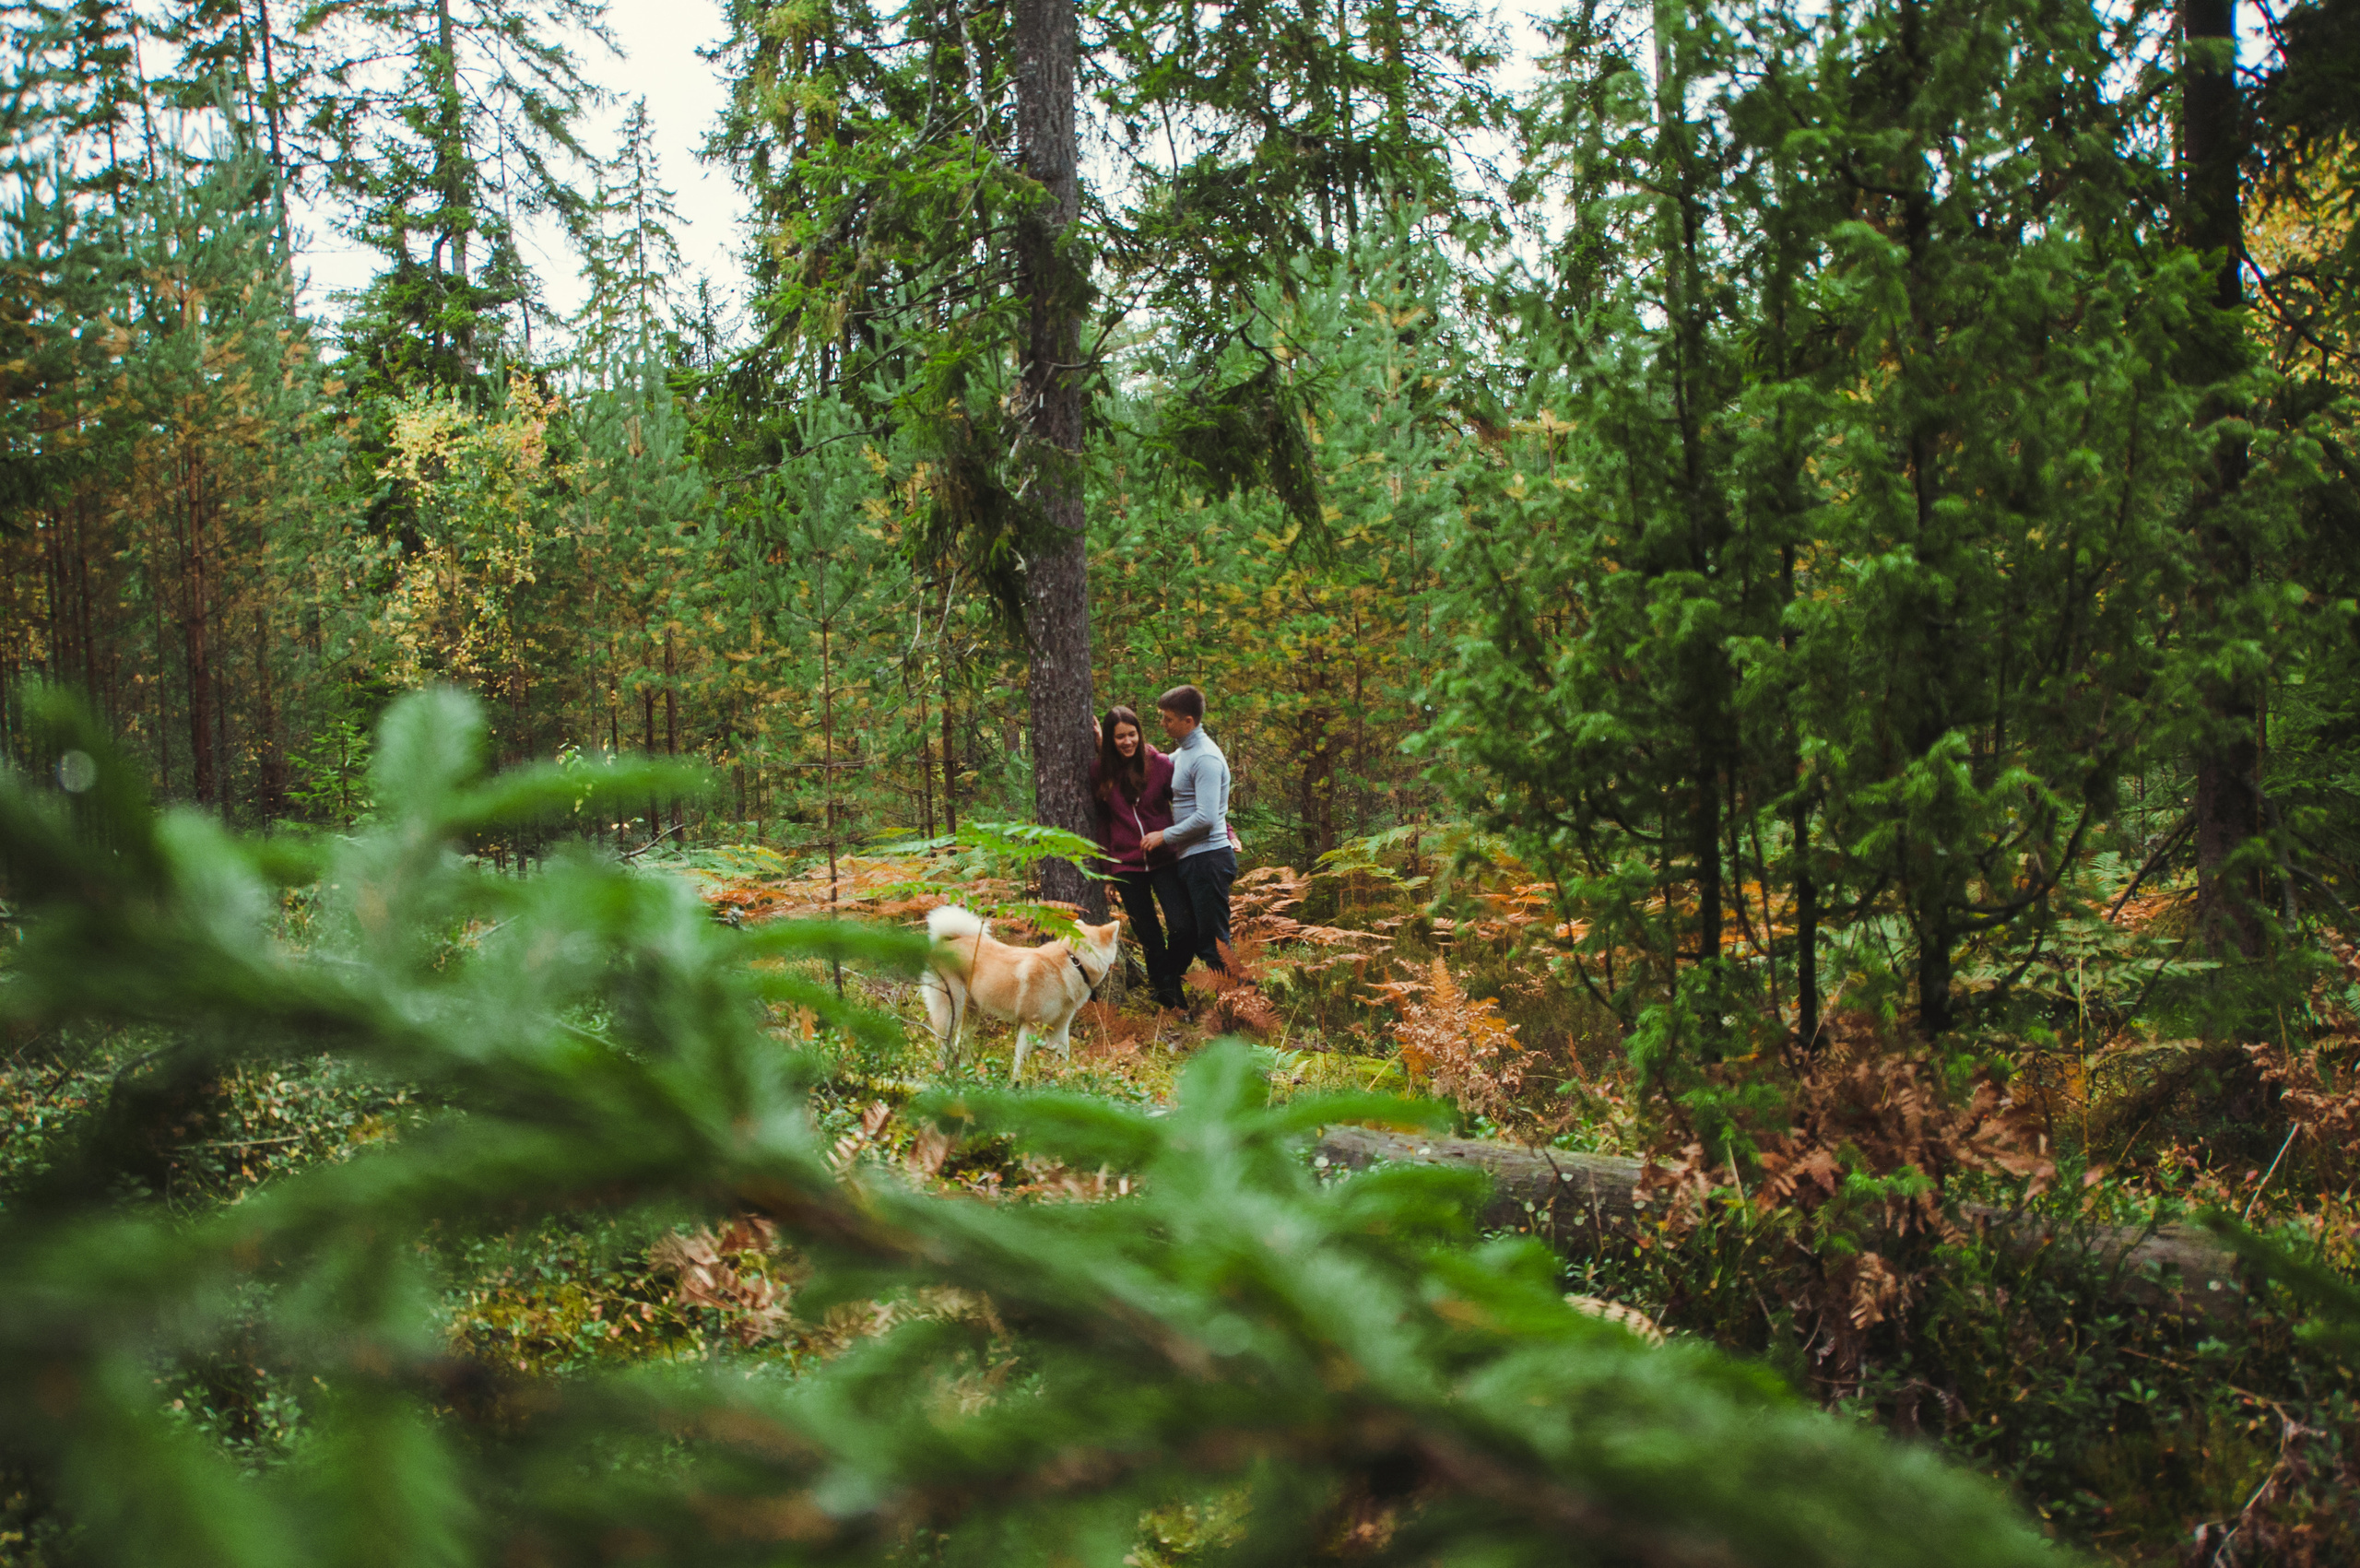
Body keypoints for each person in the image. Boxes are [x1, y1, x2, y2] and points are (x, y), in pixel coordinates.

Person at [1090, 705, 1187, 1008]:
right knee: (1149, 935)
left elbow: (1189, 800)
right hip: (1126, 866)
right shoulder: (1100, 772)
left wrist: (1225, 828)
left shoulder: (1158, 764)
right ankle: (1170, 999)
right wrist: (1107, 871)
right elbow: (1104, 825)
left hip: (1165, 858)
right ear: (1109, 739)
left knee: (1182, 927)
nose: (1127, 741)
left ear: (1139, 733)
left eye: (1132, 734)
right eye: (1120, 737)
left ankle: (1169, 979)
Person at [1141, 684, 1235, 984]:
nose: (1163, 723)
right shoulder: (1185, 753)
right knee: (1199, 939)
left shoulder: (1205, 758)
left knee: (1214, 946)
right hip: (1194, 860)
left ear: (1188, 722)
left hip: (1208, 860)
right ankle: (1234, 1009)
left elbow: (1207, 818)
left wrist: (1164, 836)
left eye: (1168, 719)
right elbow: (1155, 761)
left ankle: (1243, 1013)